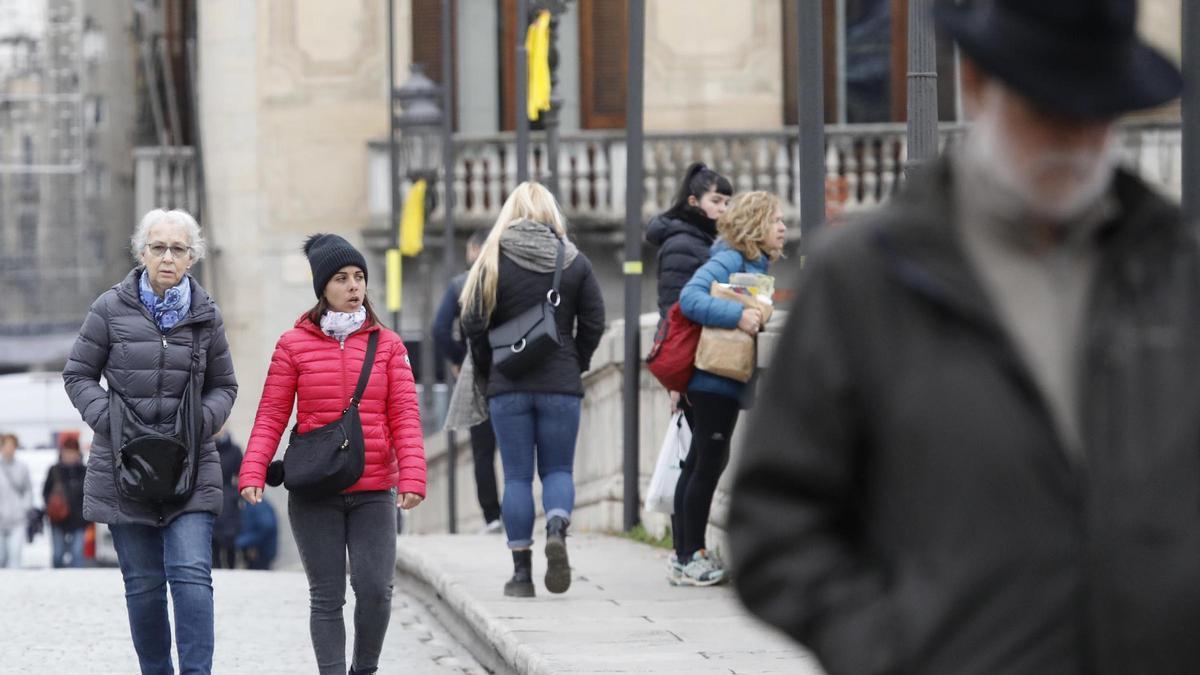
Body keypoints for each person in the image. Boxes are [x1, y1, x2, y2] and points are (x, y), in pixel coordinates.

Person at [727, 2, 1198, 673]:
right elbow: (774, 521)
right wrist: (892, 648)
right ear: (977, 84)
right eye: (1046, 106)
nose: (1072, 136)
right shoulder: (865, 280)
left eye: (1094, 110)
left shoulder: (1179, 275)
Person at [238, 233, 426, 675]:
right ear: (323, 287)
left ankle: (364, 669)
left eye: (359, 276)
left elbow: (406, 418)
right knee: (327, 594)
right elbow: (271, 415)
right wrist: (253, 470)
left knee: (376, 588)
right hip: (315, 489)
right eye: (341, 278)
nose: (353, 286)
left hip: (374, 487)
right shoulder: (292, 345)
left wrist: (413, 477)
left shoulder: (389, 346)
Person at [63, 208, 238, 674]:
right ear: (142, 253)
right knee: (142, 586)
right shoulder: (108, 308)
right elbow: (78, 373)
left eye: (177, 248)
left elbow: (226, 385)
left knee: (192, 577)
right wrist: (108, 421)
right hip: (124, 470)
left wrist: (200, 421)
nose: (167, 257)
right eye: (158, 247)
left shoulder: (206, 316)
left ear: (192, 257)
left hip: (191, 468)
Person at [460, 182, 606, 597]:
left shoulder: (490, 257)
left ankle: (521, 575)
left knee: (518, 477)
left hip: (508, 386)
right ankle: (557, 526)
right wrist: (575, 360)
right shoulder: (574, 260)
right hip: (560, 384)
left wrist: (489, 367)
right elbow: (595, 321)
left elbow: (470, 322)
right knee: (558, 470)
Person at [669, 191, 785, 587]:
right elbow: (689, 298)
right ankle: (691, 555)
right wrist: (739, 315)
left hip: (722, 378)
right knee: (706, 465)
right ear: (755, 225)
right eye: (775, 221)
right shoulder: (730, 258)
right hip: (713, 378)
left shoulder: (752, 262)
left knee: (703, 462)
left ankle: (683, 554)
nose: (783, 228)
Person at [433, 229, 503, 534]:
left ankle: (492, 517)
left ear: (474, 249)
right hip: (512, 369)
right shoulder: (508, 282)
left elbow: (438, 330)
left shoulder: (459, 285)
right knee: (517, 445)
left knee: (483, 450)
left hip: (478, 375)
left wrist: (459, 359)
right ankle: (518, 510)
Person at [43, 436, 88, 568]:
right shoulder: (54, 470)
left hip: (79, 518)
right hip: (58, 519)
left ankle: (77, 584)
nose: (69, 455)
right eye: (66, 451)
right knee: (58, 554)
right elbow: (46, 492)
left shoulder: (84, 471)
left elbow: (90, 494)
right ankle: (57, 582)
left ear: (77, 453)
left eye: (72, 452)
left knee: (77, 553)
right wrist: (51, 506)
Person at [211, 428, 243, 569]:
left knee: (230, 541)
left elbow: (241, 474)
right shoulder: (207, 449)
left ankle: (232, 572)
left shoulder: (235, 450)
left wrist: (236, 494)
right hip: (211, 497)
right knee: (213, 542)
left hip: (229, 501)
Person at [0, 433, 32, 568]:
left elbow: (28, 490)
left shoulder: (22, 468)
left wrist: (24, 508)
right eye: (6, 445)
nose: (9, 449)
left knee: (15, 556)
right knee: (1, 557)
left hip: (17, 520)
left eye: (12, 446)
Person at [234, 496, 277, 571]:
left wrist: (244, 542)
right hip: (256, 553)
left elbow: (267, 526)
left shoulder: (258, 504)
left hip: (259, 553)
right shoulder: (253, 504)